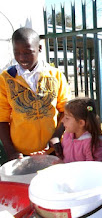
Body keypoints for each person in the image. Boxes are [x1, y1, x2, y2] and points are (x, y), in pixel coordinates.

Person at [0, 27, 70, 163]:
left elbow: (66, 110)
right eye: (17, 53)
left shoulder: (55, 76)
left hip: (52, 150)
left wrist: (56, 136)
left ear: (39, 48)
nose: (22, 58)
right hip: (21, 153)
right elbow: (2, 119)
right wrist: (11, 151)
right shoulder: (5, 79)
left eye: (27, 52)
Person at [59, 97, 102, 162]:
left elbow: (93, 168)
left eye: (67, 118)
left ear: (81, 123)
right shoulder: (67, 135)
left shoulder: (92, 143)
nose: (62, 120)